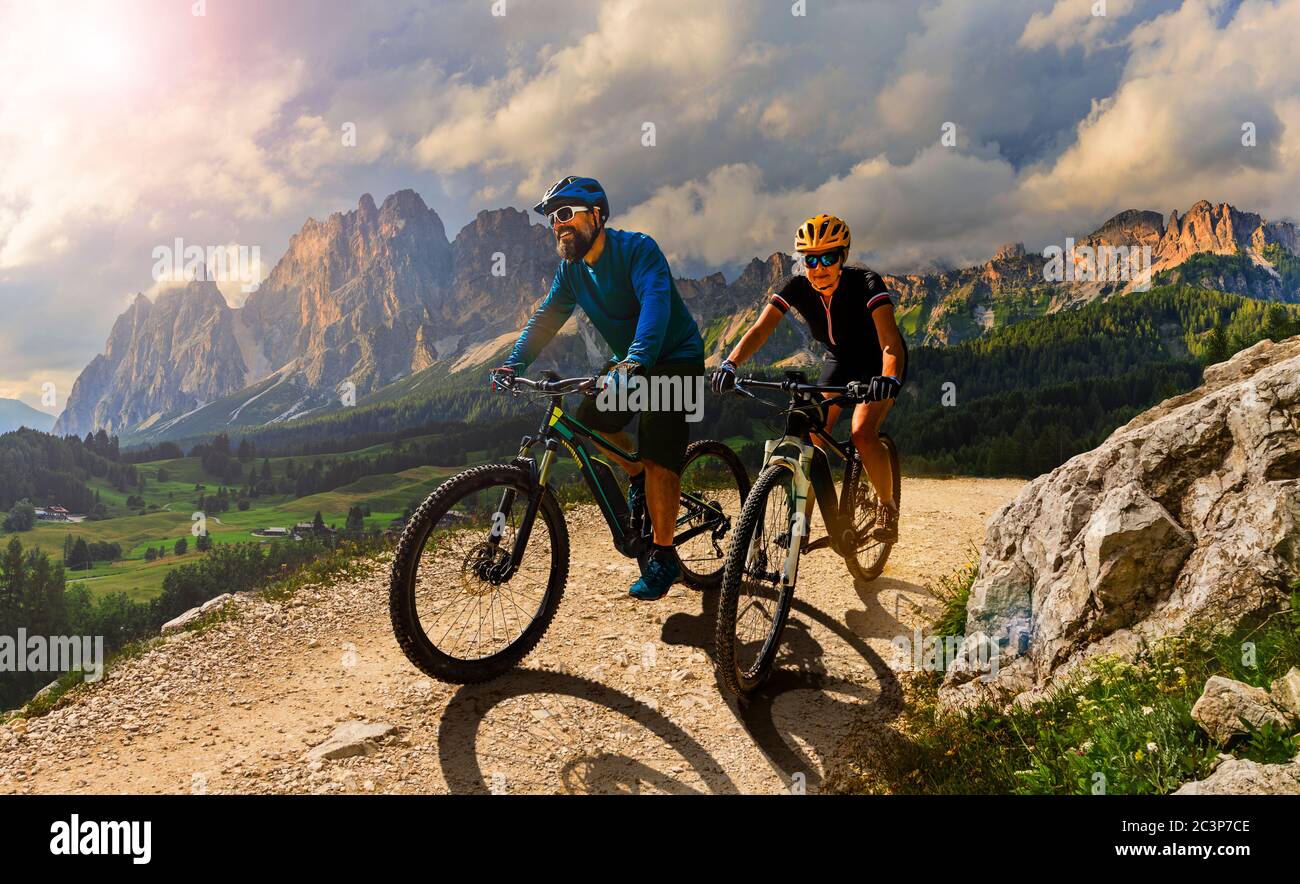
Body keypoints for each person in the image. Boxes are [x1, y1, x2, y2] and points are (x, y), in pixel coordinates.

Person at [491, 176, 706, 600]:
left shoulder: (638, 250)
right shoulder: (570, 271)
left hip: (674, 359)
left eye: (567, 213)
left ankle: (665, 557)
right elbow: (547, 317)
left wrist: (636, 361)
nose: (558, 224)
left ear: (597, 214)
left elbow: (655, 304)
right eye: (553, 218)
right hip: (631, 362)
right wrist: (513, 363)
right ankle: (636, 473)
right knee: (590, 419)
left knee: (662, 455)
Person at [710, 213, 907, 542]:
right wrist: (730, 363)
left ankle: (887, 506)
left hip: (878, 364)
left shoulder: (866, 283)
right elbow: (761, 329)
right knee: (813, 437)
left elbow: (890, 343)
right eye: (810, 259)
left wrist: (888, 378)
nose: (819, 267)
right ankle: (801, 524)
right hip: (839, 361)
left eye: (828, 258)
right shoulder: (798, 287)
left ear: (842, 257)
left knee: (861, 432)